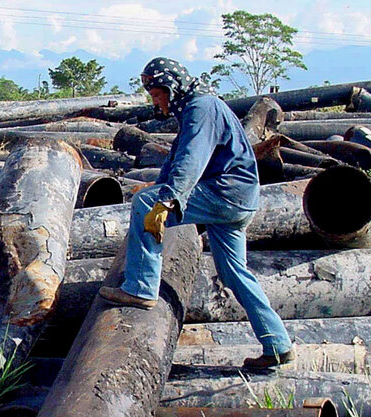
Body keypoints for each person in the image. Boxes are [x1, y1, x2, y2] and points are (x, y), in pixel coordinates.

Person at [98, 57, 295, 368]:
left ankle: (140, 287)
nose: (157, 101)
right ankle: (277, 344)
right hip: (238, 200)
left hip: (226, 194)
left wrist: (166, 199)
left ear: (171, 86)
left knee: (146, 204)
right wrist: (162, 186)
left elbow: (191, 160)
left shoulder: (201, 108)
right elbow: (177, 157)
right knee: (234, 273)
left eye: (157, 94)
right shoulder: (200, 107)